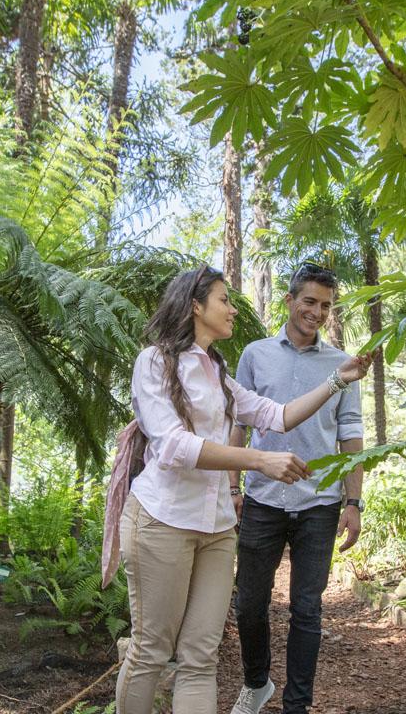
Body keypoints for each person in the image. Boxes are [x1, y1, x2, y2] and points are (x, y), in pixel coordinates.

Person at [114, 264, 370, 714]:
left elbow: (279, 415)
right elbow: (173, 446)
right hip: (161, 521)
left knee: (200, 658)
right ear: (196, 306)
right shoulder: (154, 361)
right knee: (152, 649)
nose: (233, 309)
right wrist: (258, 460)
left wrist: (337, 380)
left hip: (215, 529)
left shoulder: (216, 371)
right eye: (224, 300)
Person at [229, 262, 365, 714]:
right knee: (249, 603)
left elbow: (351, 435)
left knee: (307, 609)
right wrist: (233, 487)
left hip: (319, 504)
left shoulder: (341, 365)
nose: (318, 312)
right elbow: (238, 424)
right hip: (262, 498)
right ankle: (256, 683)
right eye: (309, 302)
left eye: (326, 305)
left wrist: (354, 501)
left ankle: (297, 705)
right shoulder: (255, 355)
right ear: (289, 301)